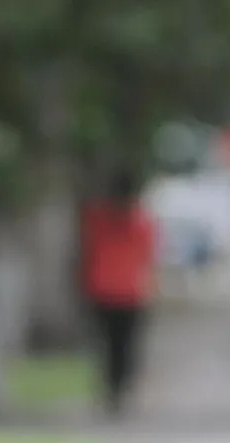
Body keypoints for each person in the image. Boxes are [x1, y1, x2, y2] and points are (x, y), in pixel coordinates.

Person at [80, 169, 157, 417]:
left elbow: (88, 249)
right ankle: (121, 387)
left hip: (102, 289)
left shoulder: (97, 219)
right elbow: (149, 256)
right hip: (131, 291)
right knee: (126, 344)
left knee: (107, 343)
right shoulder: (142, 221)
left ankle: (111, 387)